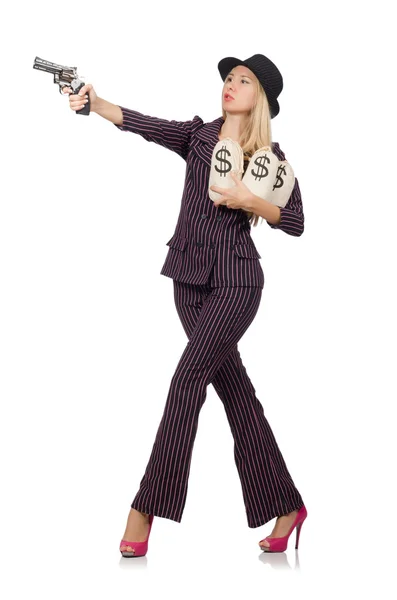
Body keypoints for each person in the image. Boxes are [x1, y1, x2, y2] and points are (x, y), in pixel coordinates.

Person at [63, 53, 307, 556]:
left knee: (187, 379)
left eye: (243, 80)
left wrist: (248, 200)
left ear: (259, 96)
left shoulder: (270, 158)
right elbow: (142, 124)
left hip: (237, 282)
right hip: (188, 279)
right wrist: (94, 103)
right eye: (229, 78)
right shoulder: (198, 138)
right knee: (237, 396)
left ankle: (144, 507)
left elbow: (297, 220)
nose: (230, 85)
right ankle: (287, 504)